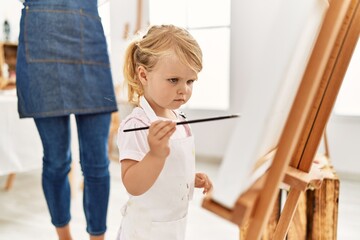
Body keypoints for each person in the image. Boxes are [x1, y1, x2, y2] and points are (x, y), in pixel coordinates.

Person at [16, 0, 118, 239]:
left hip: (89, 41)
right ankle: (64, 236)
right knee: (56, 161)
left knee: (97, 162)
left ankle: (97, 236)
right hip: (40, 43)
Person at [116, 25, 213, 240]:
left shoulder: (180, 119)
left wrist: (189, 178)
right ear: (143, 75)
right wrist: (155, 155)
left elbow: (170, 170)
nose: (184, 89)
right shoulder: (136, 124)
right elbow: (133, 184)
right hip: (143, 232)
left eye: (190, 81)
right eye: (173, 80)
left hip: (173, 227)